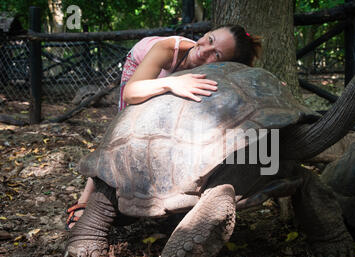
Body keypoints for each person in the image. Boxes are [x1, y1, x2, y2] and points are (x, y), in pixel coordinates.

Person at [66, 24, 262, 230]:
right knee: (122, 134)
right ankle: (85, 201)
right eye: (210, 39)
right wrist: (171, 84)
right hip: (143, 74)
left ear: (225, 64)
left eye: (217, 54)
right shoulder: (169, 48)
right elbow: (131, 92)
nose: (205, 50)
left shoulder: (218, 71)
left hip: (180, 81)